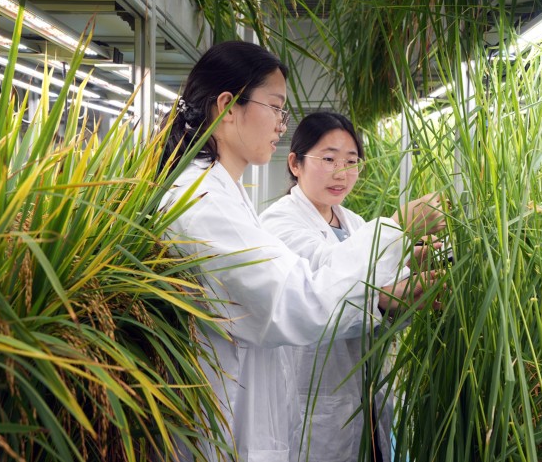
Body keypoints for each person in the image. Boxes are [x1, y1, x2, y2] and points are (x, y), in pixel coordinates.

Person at [158, 40, 445, 461]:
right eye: (275, 107)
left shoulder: (224, 194)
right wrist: (398, 231)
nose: (281, 123)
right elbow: (301, 299)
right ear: (227, 107)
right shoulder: (202, 202)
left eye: (351, 161)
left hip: (259, 420)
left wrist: (393, 279)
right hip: (225, 430)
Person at [260, 112, 443, 462]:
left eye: (351, 161)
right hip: (317, 405)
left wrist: (410, 261)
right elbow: (332, 281)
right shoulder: (279, 224)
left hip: (365, 401)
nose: (341, 172)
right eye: (328, 159)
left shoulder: (352, 221)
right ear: (295, 164)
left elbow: (367, 275)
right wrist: (398, 228)